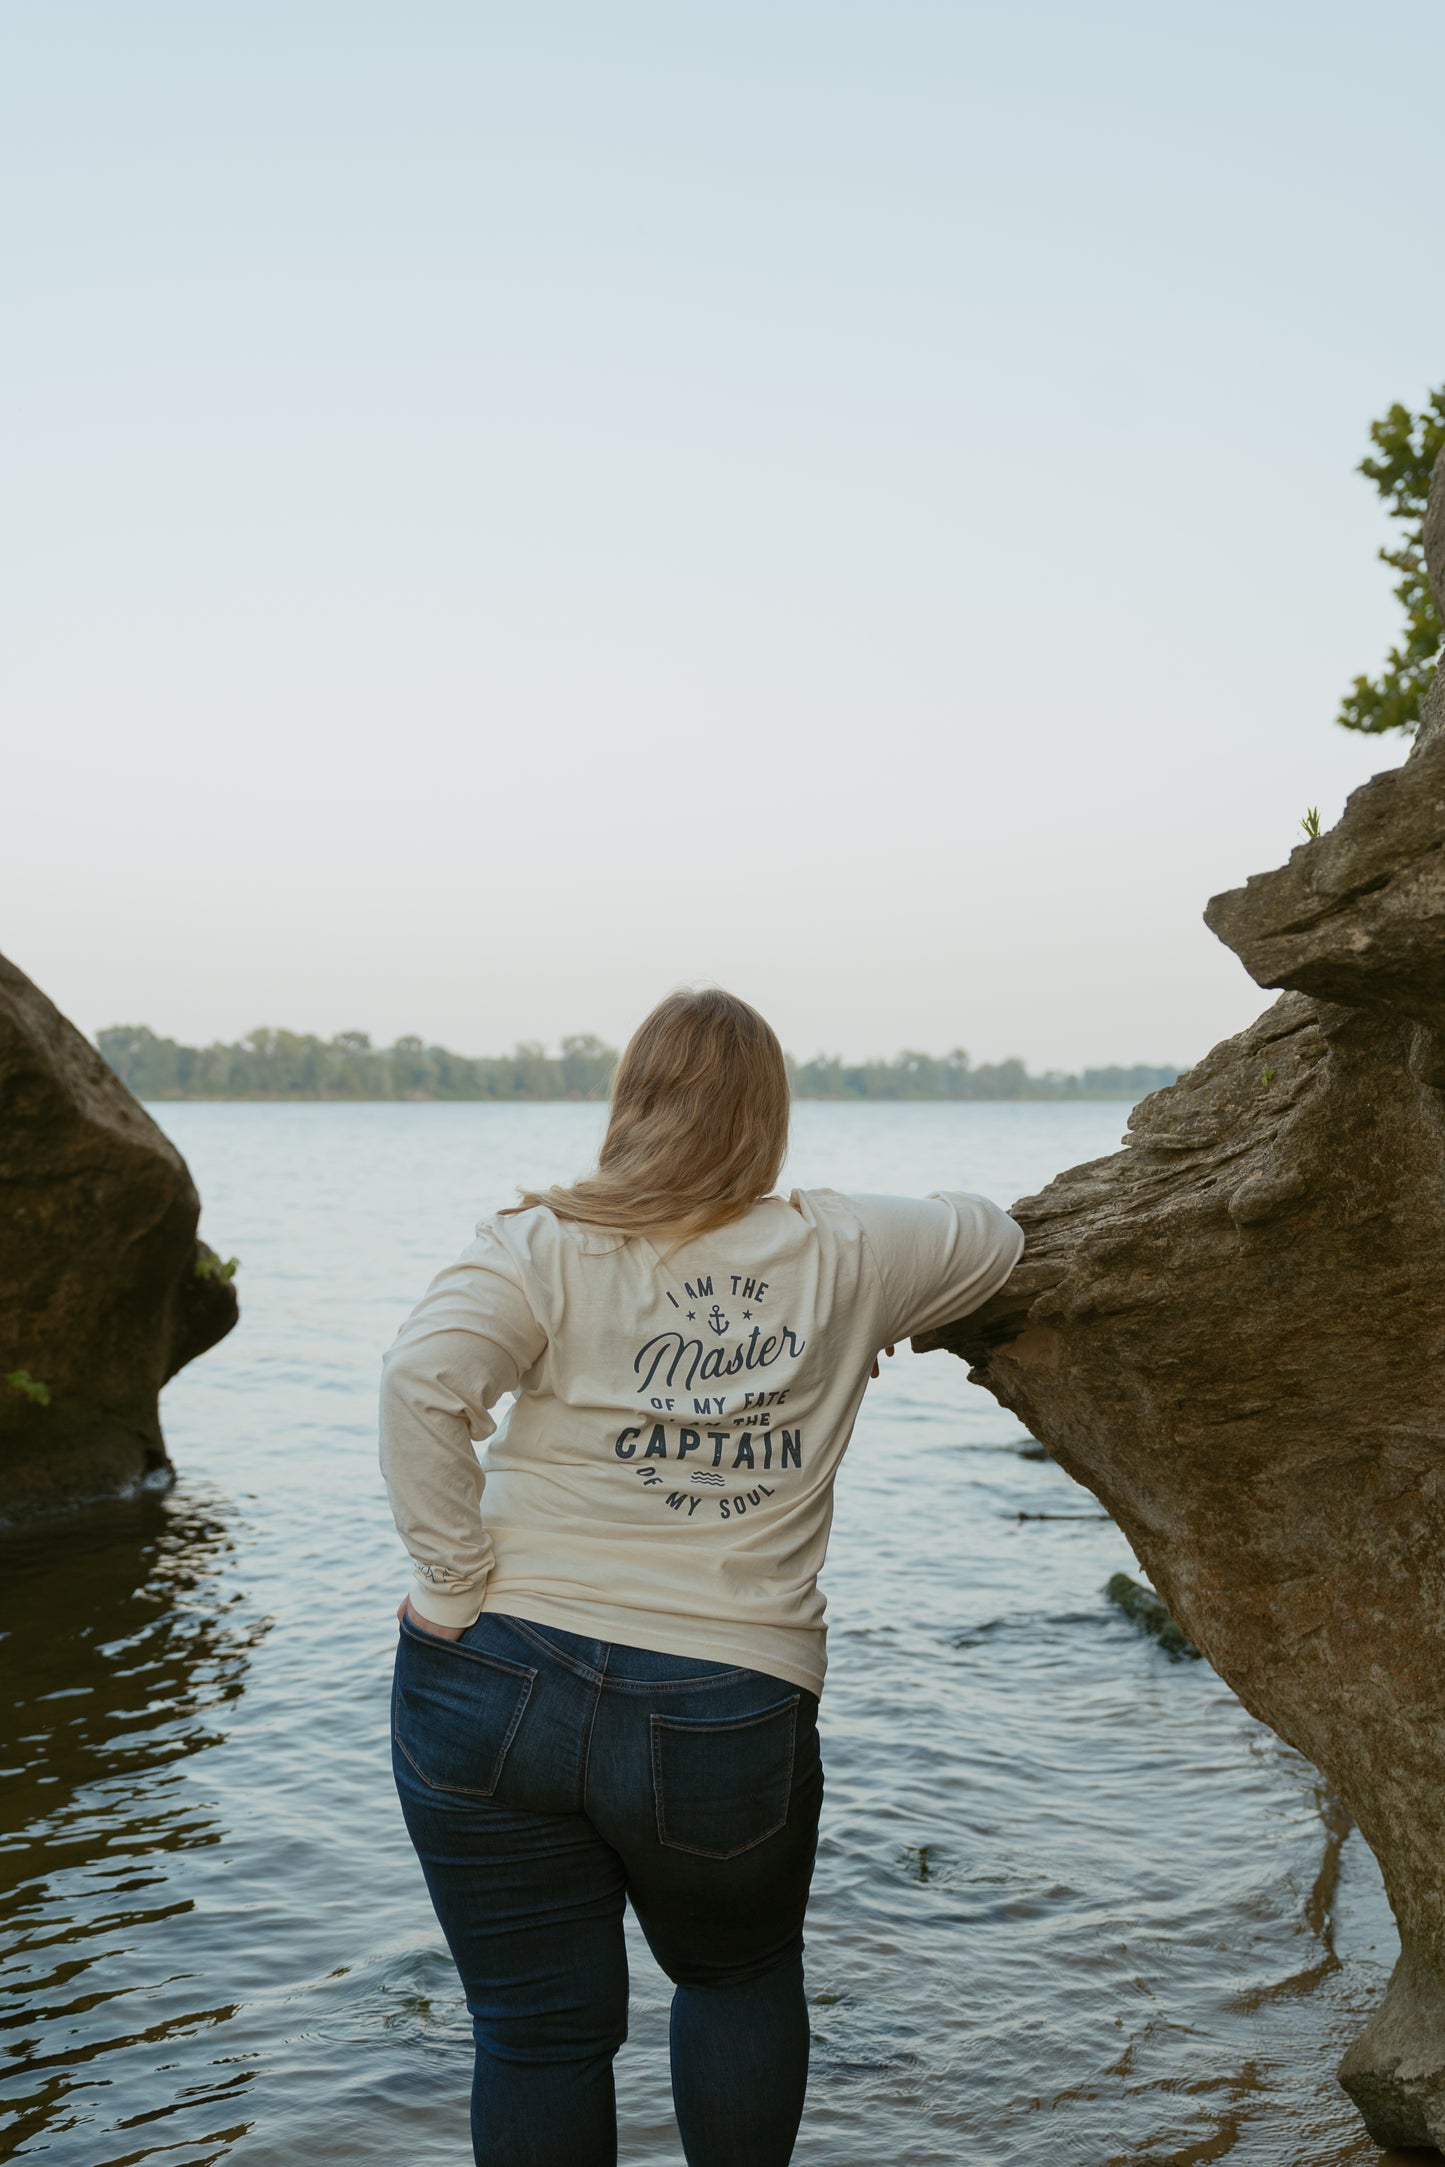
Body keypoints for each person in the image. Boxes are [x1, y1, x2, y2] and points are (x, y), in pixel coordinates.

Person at [379, 988, 1023, 2167]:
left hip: (493, 1675)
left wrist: (452, 1581)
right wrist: (861, 1317)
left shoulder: (538, 1242)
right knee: (733, 1979)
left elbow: (422, 1383)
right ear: (767, 1117)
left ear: (629, 1103)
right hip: (723, 1694)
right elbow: (992, 1232)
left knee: (533, 2034)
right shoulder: (846, 1247)